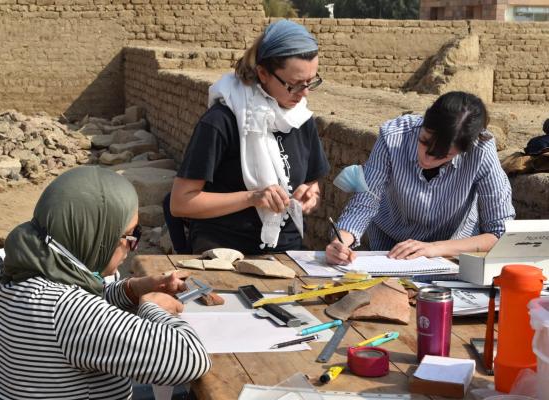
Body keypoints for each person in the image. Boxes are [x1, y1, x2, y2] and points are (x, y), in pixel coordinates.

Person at [0, 166, 211, 399]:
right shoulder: (67, 312)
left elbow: (83, 306)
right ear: (95, 235)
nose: (133, 246)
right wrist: (154, 309)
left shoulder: (18, 274)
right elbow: (190, 359)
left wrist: (132, 290)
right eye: (129, 235)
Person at [170, 20, 330, 254]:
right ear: (263, 73)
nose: (304, 93)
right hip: (224, 249)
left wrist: (310, 195)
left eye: (310, 82)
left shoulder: (300, 118)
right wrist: (253, 197)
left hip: (287, 250)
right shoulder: (222, 121)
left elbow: (312, 183)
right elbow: (181, 202)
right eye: (294, 85)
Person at [326, 91, 515, 264]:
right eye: (424, 142)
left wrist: (434, 248)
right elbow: (365, 201)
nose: (426, 159)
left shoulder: (481, 151)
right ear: (424, 122)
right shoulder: (394, 136)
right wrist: (340, 242)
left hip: (452, 250)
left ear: (463, 150)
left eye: (442, 156)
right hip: (391, 246)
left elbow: (500, 232)